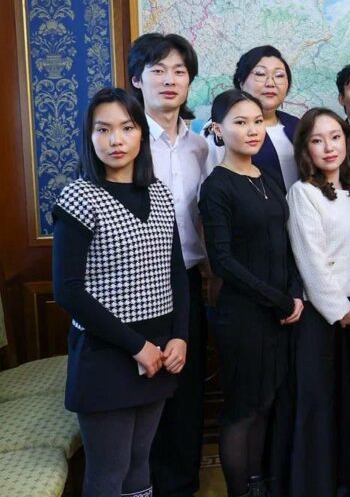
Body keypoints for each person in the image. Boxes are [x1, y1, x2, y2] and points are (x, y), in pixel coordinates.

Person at [52, 88, 188, 497]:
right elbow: (68, 291)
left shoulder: (159, 192)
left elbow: (176, 272)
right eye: (103, 129)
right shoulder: (79, 196)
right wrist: (136, 347)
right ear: (90, 137)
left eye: (127, 128)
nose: (116, 139)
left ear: (141, 134)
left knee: (140, 464)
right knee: (108, 473)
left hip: (158, 350)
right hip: (106, 353)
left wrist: (180, 336)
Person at [199, 89, 304, 497]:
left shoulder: (267, 179)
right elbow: (223, 261)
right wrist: (278, 299)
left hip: (278, 312)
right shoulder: (217, 186)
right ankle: (240, 491)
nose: (252, 130)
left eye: (257, 121)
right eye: (240, 122)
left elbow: (285, 241)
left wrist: (293, 291)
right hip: (243, 315)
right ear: (218, 129)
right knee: (242, 409)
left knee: (265, 403)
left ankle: (259, 483)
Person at [127, 32, 209, 497]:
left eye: (179, 71)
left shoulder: (201, 147)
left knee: (186, 390)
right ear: (137, 80)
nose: (169, 79)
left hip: (190, 281)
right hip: (136, 283)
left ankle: (182, 486)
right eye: (157, 70)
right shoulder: (125, 141)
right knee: (142, 393)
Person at [286, 108, 350, 496]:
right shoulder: (303, 193)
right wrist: (342, 309)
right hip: (322, 314)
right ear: (306, 149)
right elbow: (312, 262)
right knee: (319, 404)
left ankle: (347, 481)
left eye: (335, 137)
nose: (329, 147)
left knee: (348, 401)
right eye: (317, 140)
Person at [206, 46, 300, 191]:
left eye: (279, 75)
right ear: (241, 82)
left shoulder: (298, 126)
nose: (271, 83)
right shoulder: (222, 130)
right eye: (260, 74)